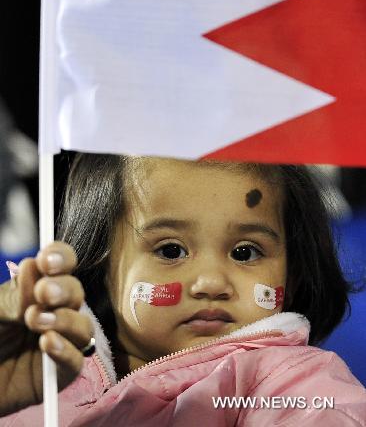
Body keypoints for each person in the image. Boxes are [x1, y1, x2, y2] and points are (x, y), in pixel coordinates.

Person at [0, 154, 365, 425]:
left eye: (245, 252)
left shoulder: (286, 381)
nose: (211, 283)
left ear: (293, 274)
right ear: (102, 264)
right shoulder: (30, 359)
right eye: (170, 250)